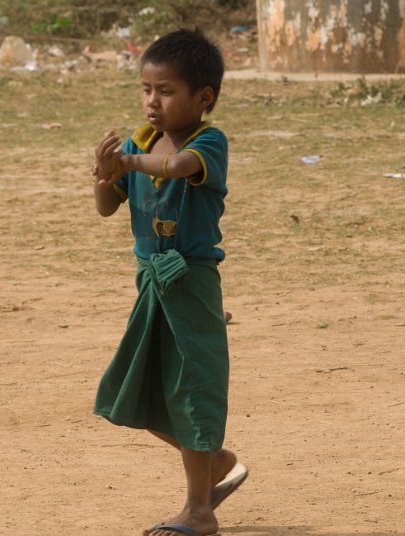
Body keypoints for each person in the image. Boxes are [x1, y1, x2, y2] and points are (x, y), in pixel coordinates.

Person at [91, 28, 248, 536]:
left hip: (191, 282)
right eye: (145, 90)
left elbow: (178, 167)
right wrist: (102, 174)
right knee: (134, 390)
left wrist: (128, 162)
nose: (152, 102)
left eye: (165, 91)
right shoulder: (139, 141)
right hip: (151, 283)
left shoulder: (208, 142)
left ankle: (199, 511)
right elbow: (107, 206)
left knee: (192, 390)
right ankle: (216, 460)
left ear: (203, 97)